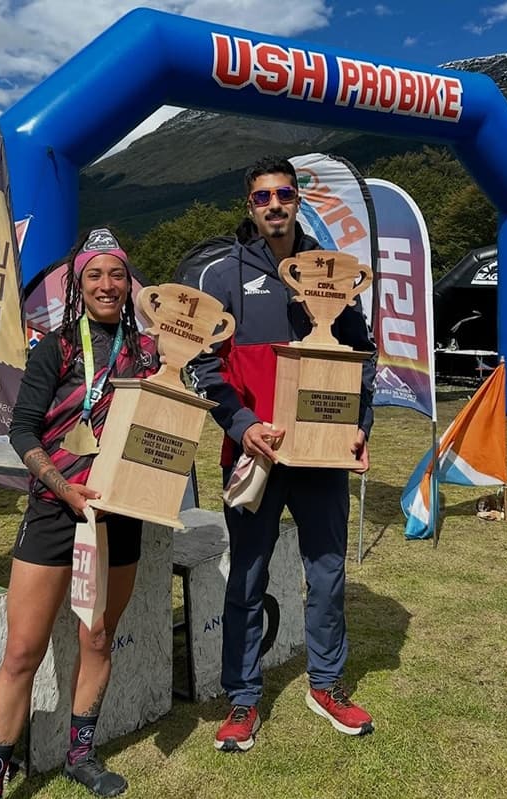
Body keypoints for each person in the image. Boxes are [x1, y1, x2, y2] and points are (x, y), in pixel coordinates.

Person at [188, 156, 377, 752]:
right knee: (246, 577)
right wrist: (241, 425)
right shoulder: (222, 276)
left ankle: (327, 685)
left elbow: (362, 364)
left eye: (284, 194)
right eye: (263, 197)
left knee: (327, 574)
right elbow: (202, 365)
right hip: (254, 455)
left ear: (298, 201)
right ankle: (243, 699)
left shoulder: (332, 275)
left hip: (321, 457)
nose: (274, 205)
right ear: (250, 206)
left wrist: (359, 427)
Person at [0, 228, 157, 798]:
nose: (107, 284)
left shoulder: (150, 353)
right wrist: (63, 486)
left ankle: (81, 754)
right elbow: (21, 429)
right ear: (79, 285)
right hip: (56, 509)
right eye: (95, 274)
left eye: (117, 274)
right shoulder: (55, 348)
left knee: (98, 637)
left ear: (130, 284)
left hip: (120, 512)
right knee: (22, 651)